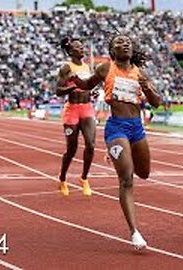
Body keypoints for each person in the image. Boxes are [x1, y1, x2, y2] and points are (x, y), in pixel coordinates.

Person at [71, 35, 161, 249]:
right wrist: (73, 80)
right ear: (112, 51)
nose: (126, 44)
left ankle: (120, 155)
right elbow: (87, 84)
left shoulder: (141, 73)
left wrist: (146, 88)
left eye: (128, 41)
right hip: (117, 127)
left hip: (137, 128)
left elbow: (157, 103)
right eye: (119, 42)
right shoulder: (105, 69)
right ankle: (134, 232)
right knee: (127, 179)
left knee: (144, 173)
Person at [55, 37, 95, 196]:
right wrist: (72, 87)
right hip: (72, 110)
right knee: (71, 150)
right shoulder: (66, 68)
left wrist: (92, 92)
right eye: (78, 47)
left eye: (82, 46)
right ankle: (62, 178)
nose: (82, 48)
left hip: (87, 109)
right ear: (71, 51)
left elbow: (88, 87)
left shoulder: (86, 67)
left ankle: (84, 178)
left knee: (91, 145)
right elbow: (58, 91)